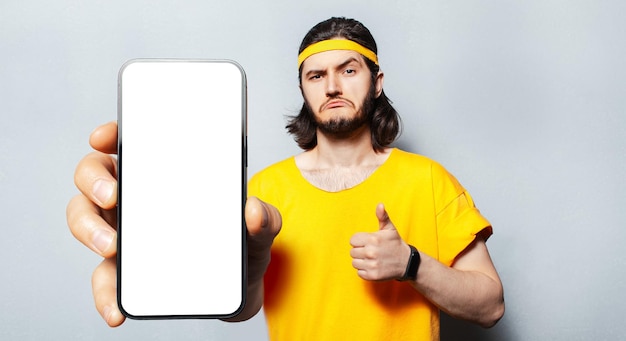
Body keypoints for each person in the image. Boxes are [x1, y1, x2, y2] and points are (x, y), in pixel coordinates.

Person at [67, 17, 504, 340]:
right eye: (316, 75)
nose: (332, 86)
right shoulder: (263, 191)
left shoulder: (428, 179)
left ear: (376, 82)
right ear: (303, 89)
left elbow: (491, 306)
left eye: (348, 70)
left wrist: (411, 264)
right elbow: (239, 308)